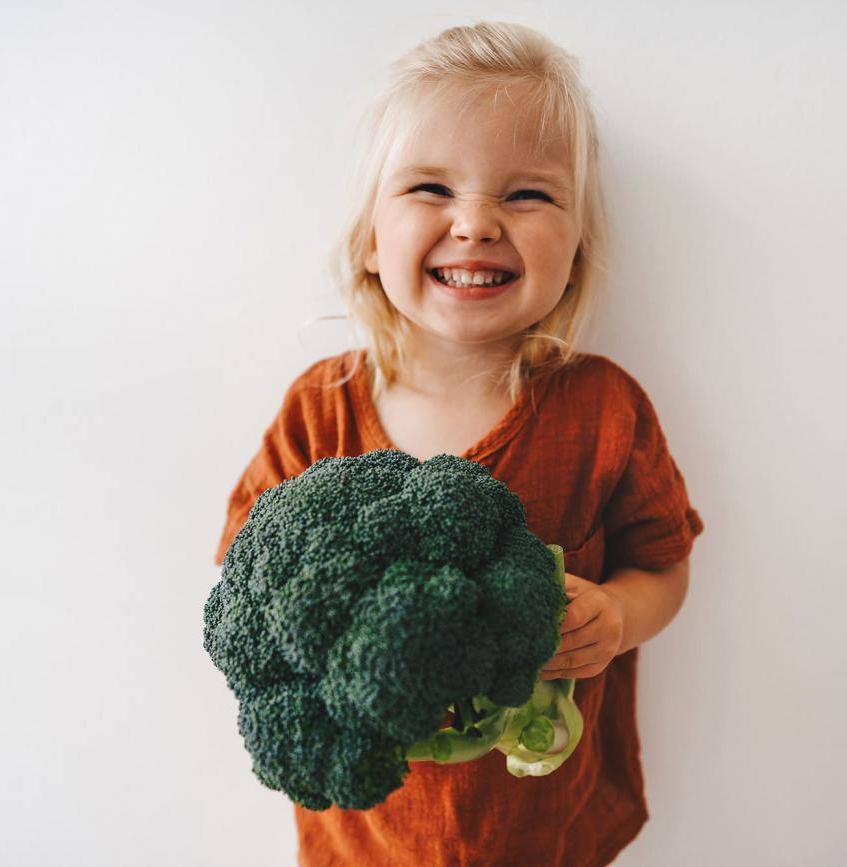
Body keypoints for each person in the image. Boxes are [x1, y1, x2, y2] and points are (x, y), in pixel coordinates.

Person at [212, 20, 706, 867]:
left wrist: (619, 616)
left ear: (578, 244)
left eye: (526, 195)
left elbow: (663, 561)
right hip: (367, 837)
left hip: (545, 828)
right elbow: (248, 580)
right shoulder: (319, 411)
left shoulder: (601, 409)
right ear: (370, 238)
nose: (475, 223)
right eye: (431, 188)